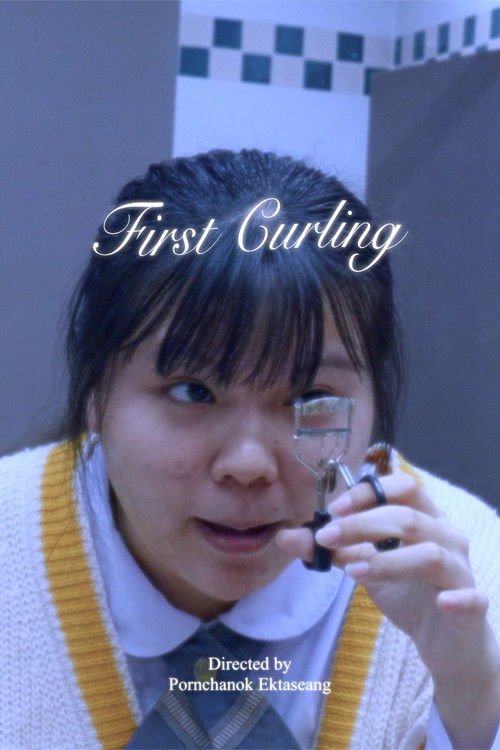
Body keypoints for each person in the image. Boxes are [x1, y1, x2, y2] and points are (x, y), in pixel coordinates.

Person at [1, 149, 499, 750]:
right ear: (95, 392)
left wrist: (471, 699)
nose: (248, 464)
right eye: (192, 391)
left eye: (311, 396)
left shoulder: (474, 576)